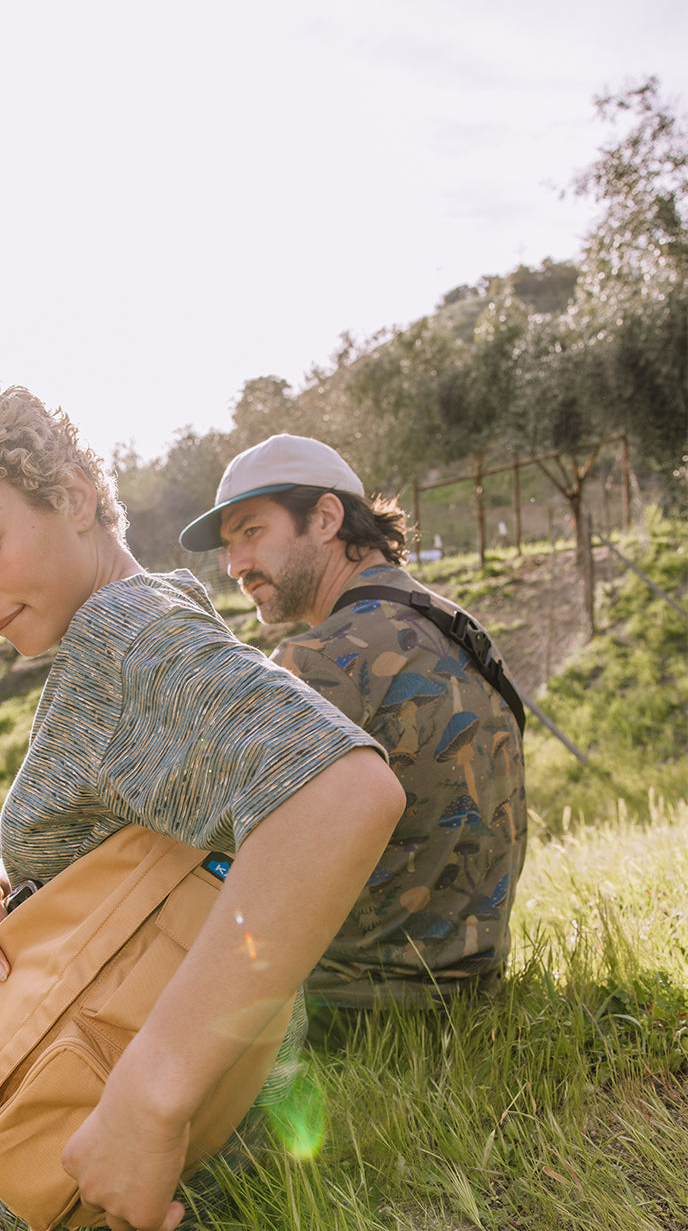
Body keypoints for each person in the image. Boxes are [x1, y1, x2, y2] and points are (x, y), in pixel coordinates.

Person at [0, 383, 404, 1231]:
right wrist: (2, 879)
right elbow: (152, 842)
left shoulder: (128, 636)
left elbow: (344, 794)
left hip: (84, 1142)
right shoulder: (150, 617)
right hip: (110, 1068)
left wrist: (150, 1096)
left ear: (77, 498)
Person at [179, 433, 527, 1032]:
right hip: (475, 987)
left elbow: (208, 839)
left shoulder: (317, 660)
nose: (235, 565)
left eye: (252, 532)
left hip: (357, 1009)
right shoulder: (457, 626)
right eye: (229, 545)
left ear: (325, 518)